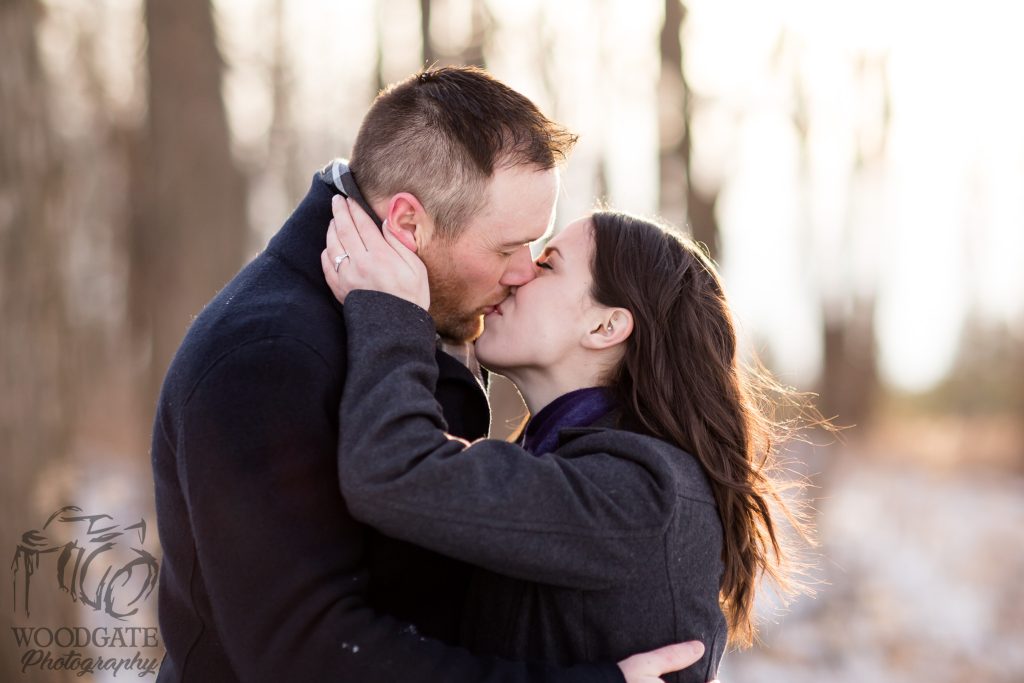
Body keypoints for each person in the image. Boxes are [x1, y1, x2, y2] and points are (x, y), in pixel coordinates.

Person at [151, 66, 713, 682]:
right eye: (509, 248)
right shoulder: (267, 355)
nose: (522, 271)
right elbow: (306, 654)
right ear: (409, 224)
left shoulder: (428, 329)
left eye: (541, 251)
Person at [321, 201, 816, 682]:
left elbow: (393, 469)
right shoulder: (572, 463)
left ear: (606, 325)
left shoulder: (639, 490)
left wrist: (391, 313)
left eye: (547, 265)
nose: (517, 276)